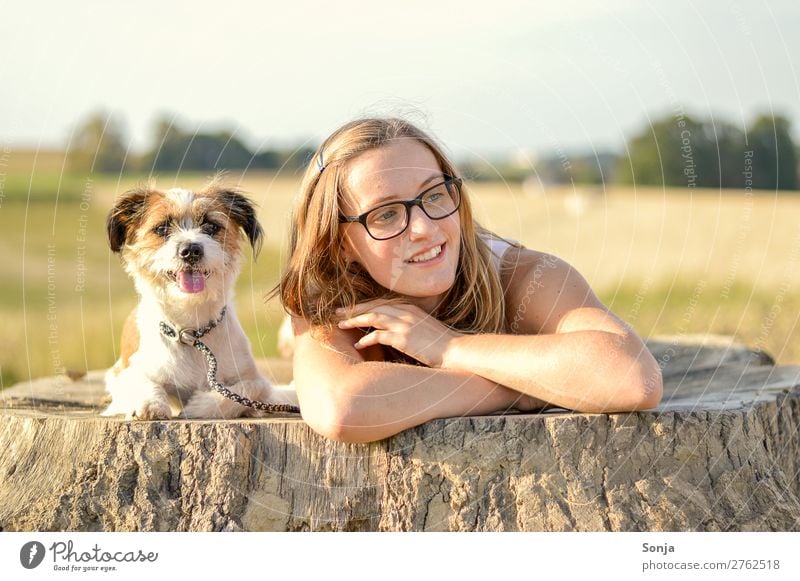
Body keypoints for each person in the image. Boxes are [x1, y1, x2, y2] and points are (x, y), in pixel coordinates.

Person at [274, 117, 662, 443]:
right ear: (340, 244)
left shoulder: (523, 275)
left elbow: (632, 379)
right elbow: (341, 407)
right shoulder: (326, 296)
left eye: (435, 195)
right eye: (387, 215)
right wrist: (526, 386)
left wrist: (449, 348)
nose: (426, 228)